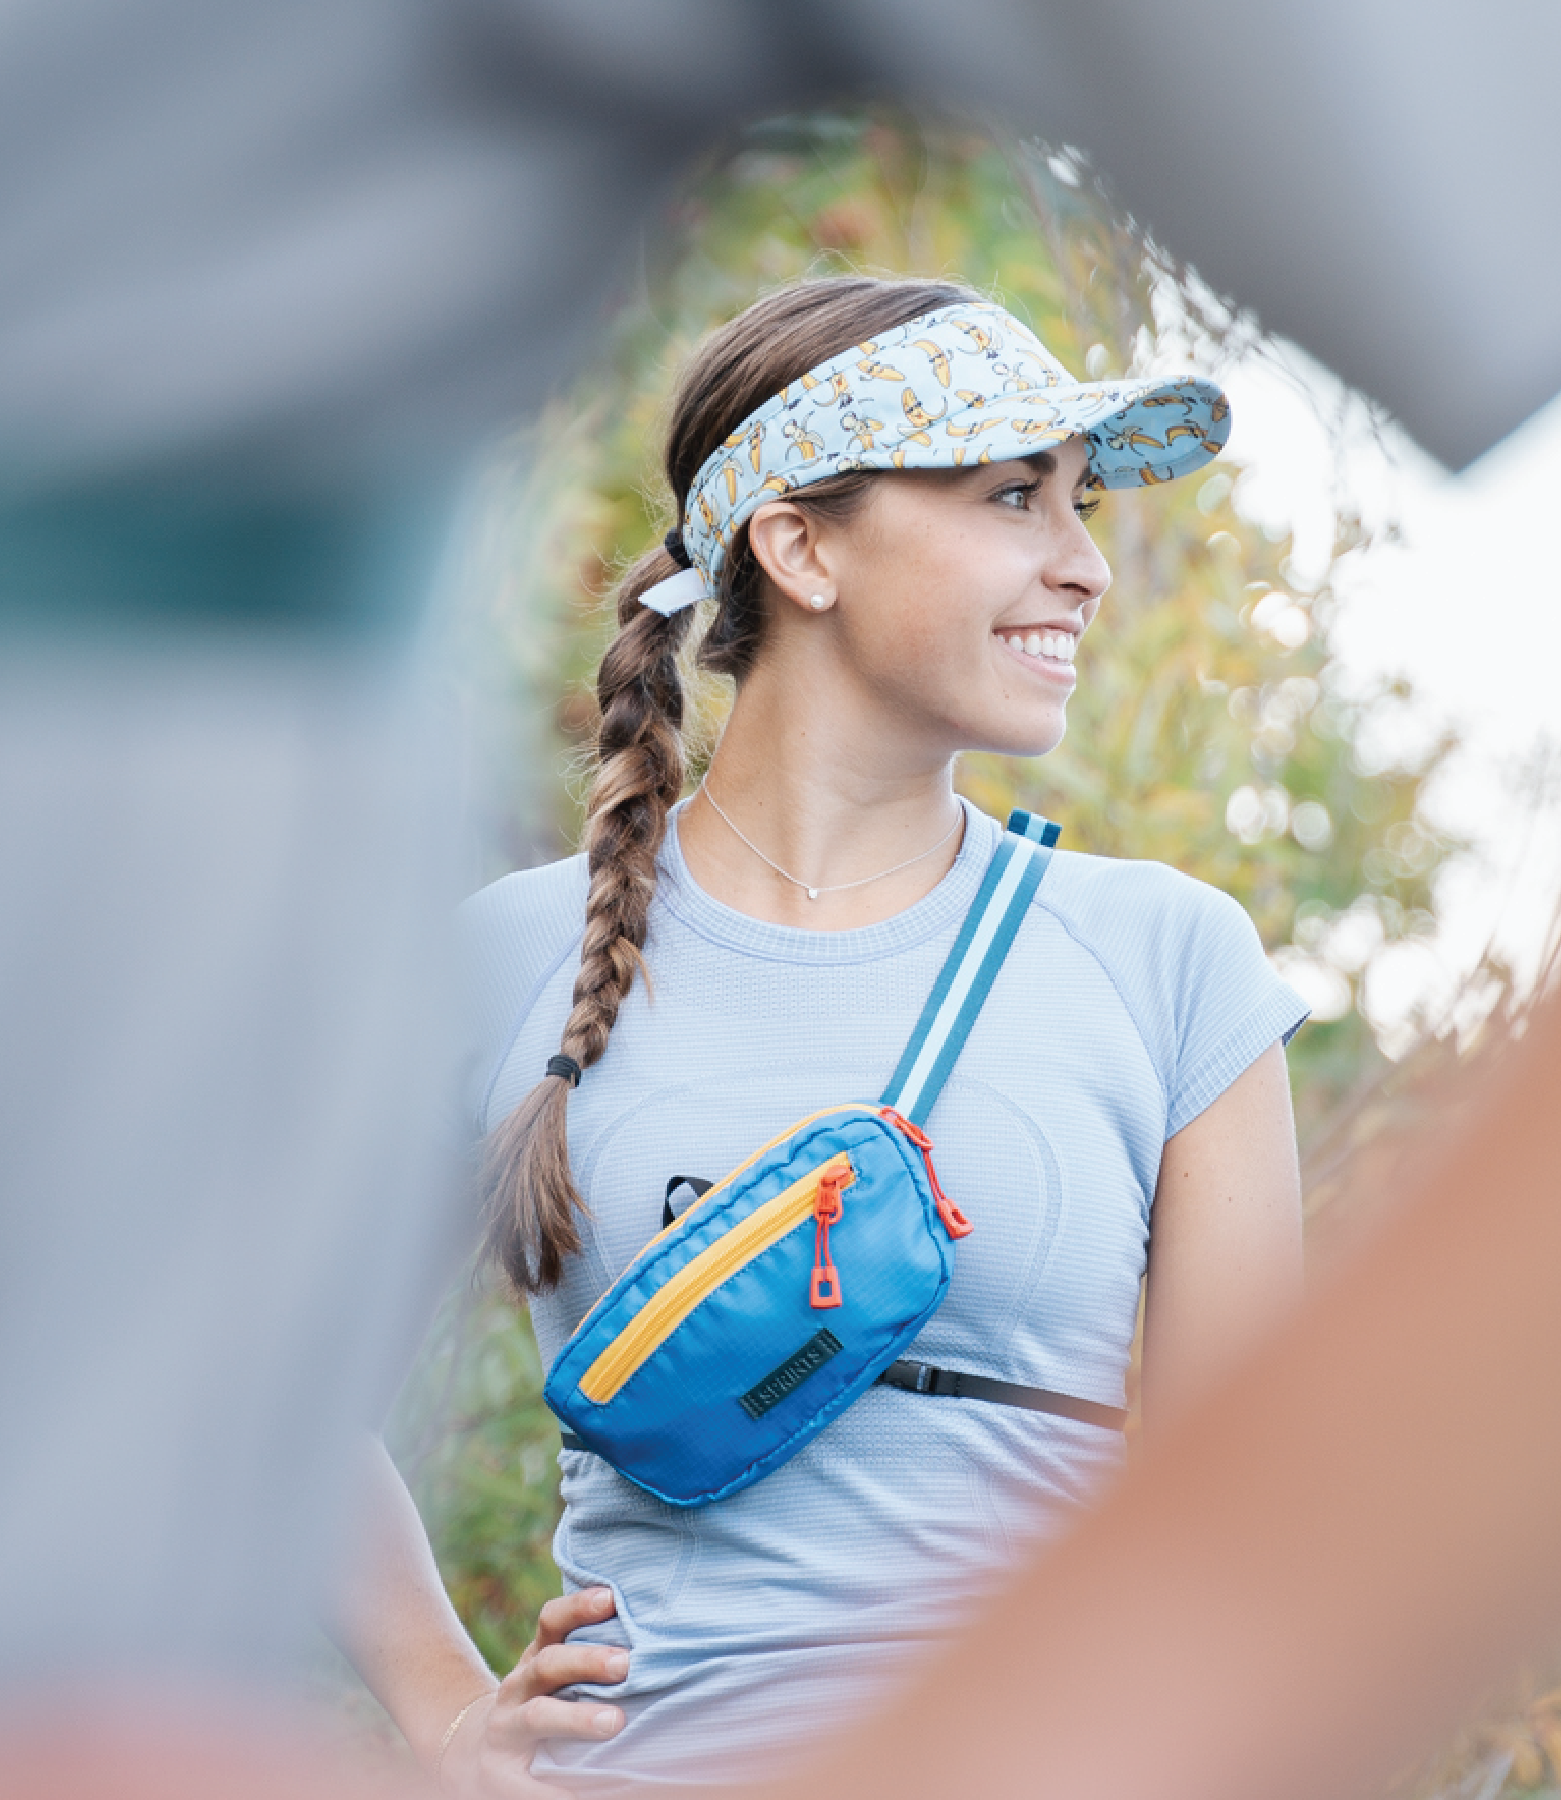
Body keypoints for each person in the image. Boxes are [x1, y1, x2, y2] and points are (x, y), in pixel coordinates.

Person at [331, 274, 1309, 1792]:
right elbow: (259, 1379)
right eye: (1015, 497)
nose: (1084, 566)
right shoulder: (515, 957)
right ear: (799, 548)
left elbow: (1241, 1526)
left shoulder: (1168, 959)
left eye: (1084, 505)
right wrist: (449, 1714)